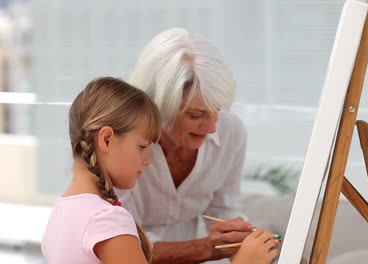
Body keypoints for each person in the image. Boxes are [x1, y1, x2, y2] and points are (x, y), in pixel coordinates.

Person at [41, 77, 279, 264]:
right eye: (142, 147)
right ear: (106, 139)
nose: (147, 160)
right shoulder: (108, 222)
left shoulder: (65, 210)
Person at [115, 28, 265, 263]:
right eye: (196, 115)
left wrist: (236, 237)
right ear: (158, 105)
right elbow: (122, 247)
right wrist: (207, 249)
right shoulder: (119, 144)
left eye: (217, 111)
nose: (212, 128)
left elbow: (224, 208)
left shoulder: (231, 131)